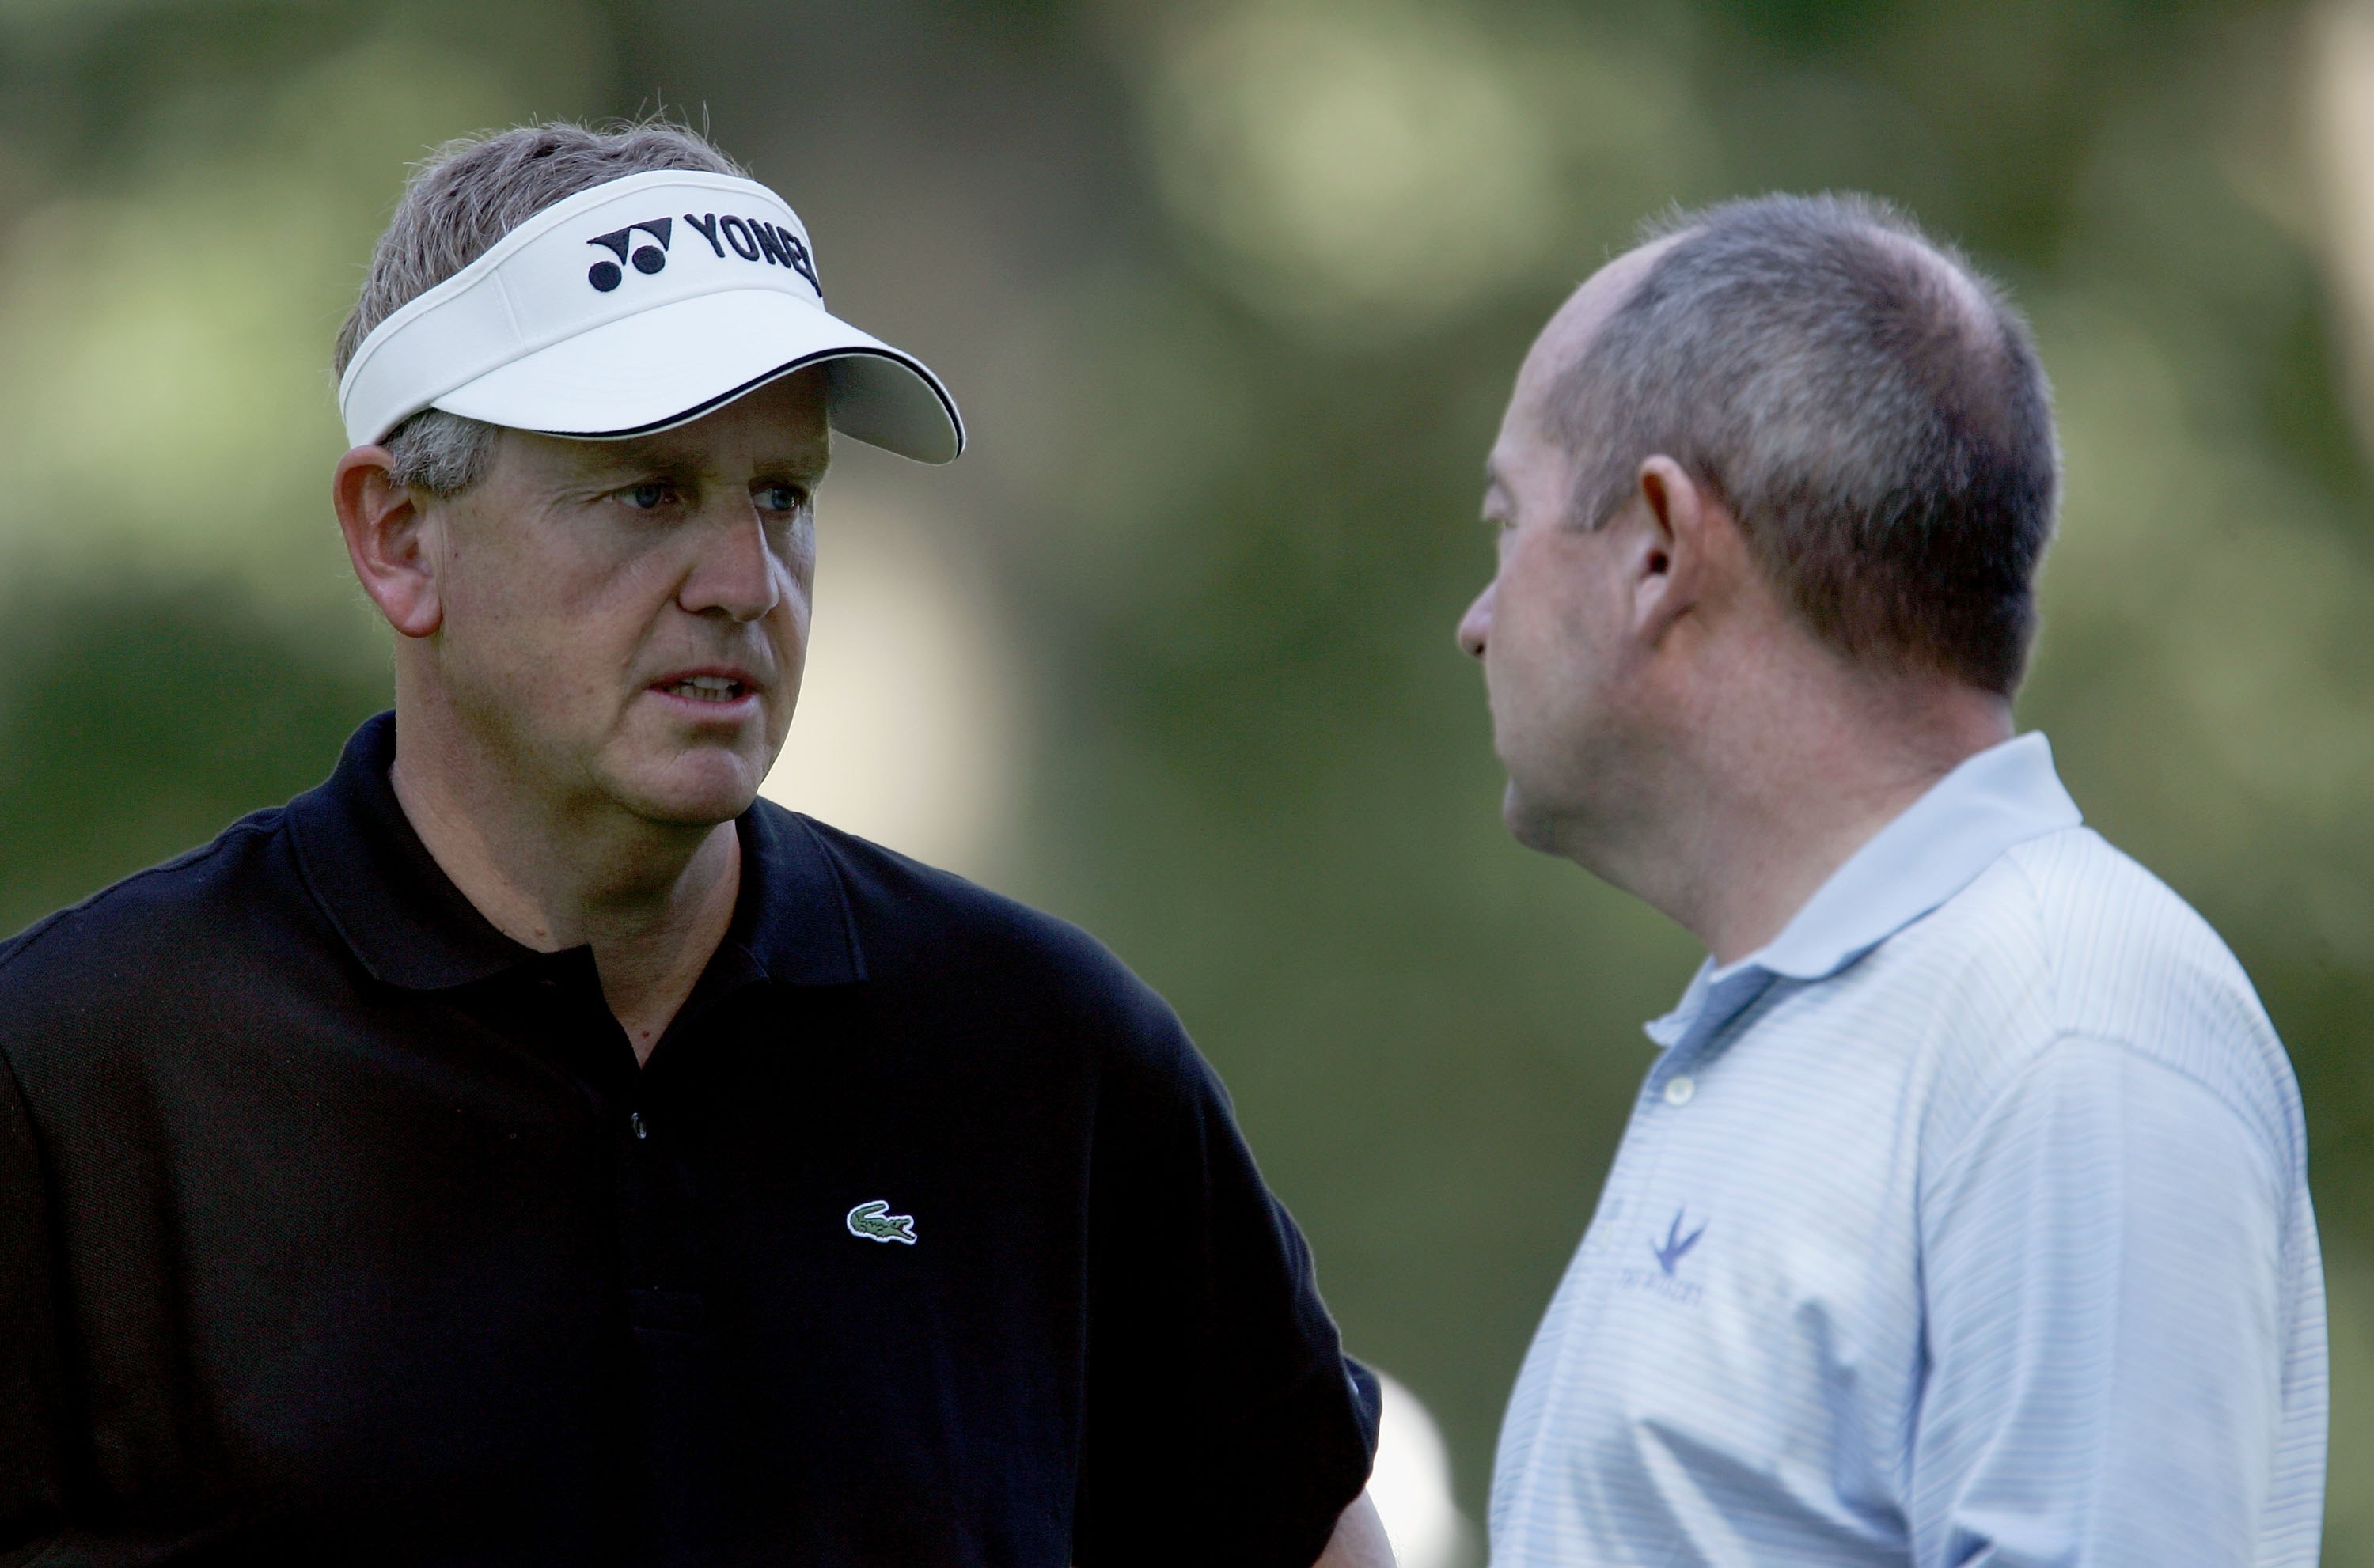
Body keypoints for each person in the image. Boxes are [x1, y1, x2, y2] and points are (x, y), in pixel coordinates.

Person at [0, 120, 1392, 1567]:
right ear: (399, 535)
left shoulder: (1045, 1054)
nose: (744, 581)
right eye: (649, 490)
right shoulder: (79, 1072)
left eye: (784, 493)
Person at [1459, 193, 2326, 1566]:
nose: (1477, 620)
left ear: (1657, 547)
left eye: (1508, 521)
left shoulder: (2069, 1025)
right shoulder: (1812, 1024)